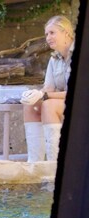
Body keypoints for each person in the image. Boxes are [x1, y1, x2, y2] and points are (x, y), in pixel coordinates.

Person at [21, 15, 75, 162]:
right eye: (46, 34)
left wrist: (45, 96)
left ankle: (54, 166)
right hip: (63, 104)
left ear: (66, 33)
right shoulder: (54, 59)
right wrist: (35, 94)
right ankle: (35, 165)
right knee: (31, 106)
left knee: (49, 105)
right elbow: (48, 88)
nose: (48, 37)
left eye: (52, 33)